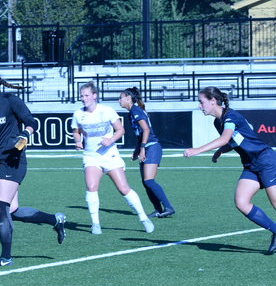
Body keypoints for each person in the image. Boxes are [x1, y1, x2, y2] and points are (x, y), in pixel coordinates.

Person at [0, 67, 65, 267]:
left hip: (13, 159)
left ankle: (5, 257)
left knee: (1, 206)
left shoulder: (9, 100)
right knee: (13, 211)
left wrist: (25, 134)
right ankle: (55, 220)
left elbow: (31, 122)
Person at [184, 86, 276, 254]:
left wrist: (198, 150)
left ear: (213, 101)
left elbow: (225, 138)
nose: (199, 106)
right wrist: (220, 151)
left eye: (201, 102)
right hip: (250, 165)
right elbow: (233, 141)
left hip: (266, 160)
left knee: (275, 202)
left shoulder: (230, 116)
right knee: (241, 202)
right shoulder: (217, 121)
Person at [72, 81, 154, 235]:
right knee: (91, 187)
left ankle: (143, 218)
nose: (83, 98)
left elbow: (120, 130)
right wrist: (78, 141)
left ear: (94, 96)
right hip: (91, 157)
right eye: (82, 96)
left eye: (87, 95)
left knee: (123, 189)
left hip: (110, 155)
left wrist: (110, 140)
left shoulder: (107, 111)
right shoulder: (78, 114)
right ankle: (95, 224)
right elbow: (76, 131)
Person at [119, 87, 175, 218]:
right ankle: (158, 210)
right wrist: (137, 150)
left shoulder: (135, 110)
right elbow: (140, 134)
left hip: (152, 147)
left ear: (128, 98)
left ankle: (168, 207)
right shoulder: (132, 112)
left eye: (120, 98)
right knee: (146, 182)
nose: (119, 100)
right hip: (146, 146)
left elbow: (146, 130)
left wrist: (142, 148)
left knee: (149, 181)